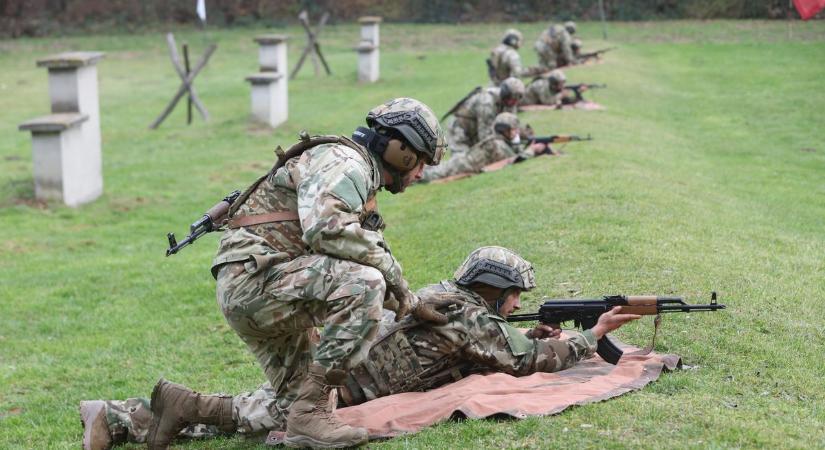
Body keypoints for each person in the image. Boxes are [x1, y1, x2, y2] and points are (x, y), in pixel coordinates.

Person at [80, 247, 641, 449]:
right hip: (345, 383)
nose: (518, 307)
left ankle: (123, 416)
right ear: (495, 289)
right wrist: (591, 338)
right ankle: (140, 412)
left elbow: (500, 344)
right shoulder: (467, 314)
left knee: (256, 409)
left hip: (343, 369)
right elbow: (522, 360)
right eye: (515, 296)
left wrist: (539, 333)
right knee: (254, 414)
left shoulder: (451, 299)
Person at [143, 97, 452, 449]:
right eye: (422, 161)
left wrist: (411, 303)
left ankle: (174, 407)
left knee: (292, 409)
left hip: (265, 283)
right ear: (401, 151)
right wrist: (395, 281)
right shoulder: (346, 163)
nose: (422, 173)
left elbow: (364, 247)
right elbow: (326, 230)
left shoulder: (354, 173)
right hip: (256, 285)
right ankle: (308, 416)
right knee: (365, 285)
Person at [421, 112, 541, 181]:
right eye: (513, 130)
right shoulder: (497, 145)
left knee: (431, 169)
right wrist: (531, 150)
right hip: (461, 166)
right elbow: (513, 160)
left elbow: (514, 150)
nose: (516, 133)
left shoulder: (501, 141)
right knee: (425, 175)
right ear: (504, 130)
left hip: (463, 161)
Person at [444, 77, 525, 156]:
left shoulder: (510, 102)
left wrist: (517, 146)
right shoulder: (486, 103)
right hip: (460, 132)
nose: (513, 103)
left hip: (475, 131)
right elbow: (485, 137)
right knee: (464, 161)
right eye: (512, 100)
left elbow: (512, 127)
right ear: (505, 94)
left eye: (515, 101)